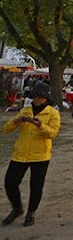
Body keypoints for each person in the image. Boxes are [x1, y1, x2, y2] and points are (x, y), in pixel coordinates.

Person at [2, 83, 61, 227]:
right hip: (20, 153)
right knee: (10, 182)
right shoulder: (25, 110)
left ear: (46, 98)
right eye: (34, 97)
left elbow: (52, 133)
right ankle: (17, 208)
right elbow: (6, 130)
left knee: (36, 185)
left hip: (40, 155)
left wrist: (40, 125)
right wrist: (16, 120)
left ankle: (31, 212)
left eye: (40, 97)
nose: (36, 100)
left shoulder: (52, 113)